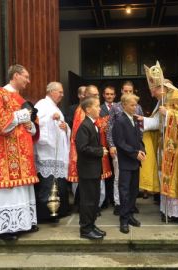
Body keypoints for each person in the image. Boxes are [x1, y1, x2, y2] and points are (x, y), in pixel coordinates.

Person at [0, 64, 39, 241]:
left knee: (21, 189)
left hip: (21, 155)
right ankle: (5, 227)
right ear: (16, 75)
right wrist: (21, 116)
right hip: (4, 153)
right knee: (8, 191)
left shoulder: (19, 98)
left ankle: (22, 223)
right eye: (26, 76)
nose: (28, 80)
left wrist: (31, 125)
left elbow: (28, 124)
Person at [138, 61, 178, 222]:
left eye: (153, 91)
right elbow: (156, 123)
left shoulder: (177, 98)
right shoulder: (162, 101)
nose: (152, 95)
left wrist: (169, 115)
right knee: (164, 177)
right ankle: (168, 211)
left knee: (177, 178)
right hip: (164, 147)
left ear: (160, 88)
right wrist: (138, 121)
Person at [68, 85, 112, 215]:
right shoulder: (81, 113)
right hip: (88, 157)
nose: (97, 98)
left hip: (96, 155)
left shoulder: (93, 114)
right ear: (86, 96)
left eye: (98, 95)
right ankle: (88, 218)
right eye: (94, 95)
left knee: (96, 189)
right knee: (88, 191)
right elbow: (82, 139)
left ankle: (93, 212)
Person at [34, 82, 71, 222]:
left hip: (58, 154)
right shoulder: (42, 105)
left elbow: (63, 128)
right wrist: (51, 120)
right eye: (59, 92)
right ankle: (45, 215)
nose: (62, 95)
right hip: (47, 153)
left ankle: (58, 211)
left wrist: (65, 127)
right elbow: (36, 126)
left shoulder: (55, 108)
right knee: (47, 186)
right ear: (50, 91)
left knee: (58, 185)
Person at [106, 81, 144, 215]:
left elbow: (140, 129)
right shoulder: (116, 108)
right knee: (120, 179)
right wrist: (111, 145)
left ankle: (131, 206)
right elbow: (110, 128)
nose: (128, 93)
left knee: (133, 184)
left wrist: (141, 149)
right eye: (126, 91)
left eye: (130, 91)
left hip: (134, 151)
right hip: (121, 150)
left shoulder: (137, 107)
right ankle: (119, 204)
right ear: (122, 91)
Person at [76, 97, 108, 240]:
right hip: (87, 171)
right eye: (97, 106)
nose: (100, 108)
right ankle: (85, 229)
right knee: (88, 200)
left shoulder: (92, 124)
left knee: (94, 199)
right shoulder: (84, 126)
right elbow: (82, 148)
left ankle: (91, 224)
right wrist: (100, 151)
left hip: (93, 170)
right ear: (88, 109)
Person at [113, 94, 145, 234]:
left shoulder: (134, 119)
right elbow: (120, 143)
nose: (135, 107)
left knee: (133, 191)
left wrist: (142, 150)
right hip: (126, 162)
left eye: (136, 105)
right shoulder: (120, 121)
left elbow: (139, 138)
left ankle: (130, 215)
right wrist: (134, 153)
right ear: (124, 105)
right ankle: (123, 219)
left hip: (135, 163)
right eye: (132, 105)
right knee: (124, 192)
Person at [100, 85, 116, 208]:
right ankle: (105, 200)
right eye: (107, 94)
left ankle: (115, 199)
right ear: (103, 95)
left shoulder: (118, 107)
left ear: (115, 95)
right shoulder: (99, 109)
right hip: (104, 145)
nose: (109, 96)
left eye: (111, 94)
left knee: (116, 174)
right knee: (106, 173)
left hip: (116, 145)